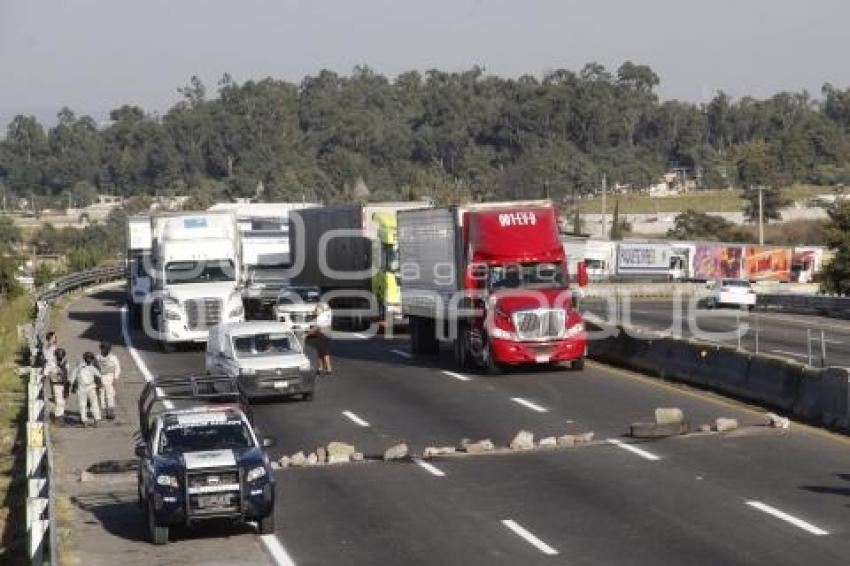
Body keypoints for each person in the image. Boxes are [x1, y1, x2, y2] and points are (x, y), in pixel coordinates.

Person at [70, 352, 102, 427]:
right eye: (87, 358)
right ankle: (84, 420)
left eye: (90, 358)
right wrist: (73, 386)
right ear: (84, 359)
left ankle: (97, 419)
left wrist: (99, 384)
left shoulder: (93, 367)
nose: (89, 359)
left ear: (92, 359)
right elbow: (73, 377)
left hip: (91, 387)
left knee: (94, 403)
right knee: (82, 404)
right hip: (81, 387)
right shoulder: (79, 367)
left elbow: (98, 376)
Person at [305, 303, 333, 374]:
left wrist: (307, 334)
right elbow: (327, 309)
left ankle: (321, 368)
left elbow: (316, 328)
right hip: (328, 335)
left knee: (320, 353)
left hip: (321, 335)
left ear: (321, 310)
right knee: (325, 352)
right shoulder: (328, 315)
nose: (316, 310)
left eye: (317, 309)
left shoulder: (320, 318)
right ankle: (328, 369)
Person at [95, 342, 121, 420]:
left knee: (110, 394)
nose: (104, 350)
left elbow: (117, 368)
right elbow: (94, 369)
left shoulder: (113, 358)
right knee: (101, 394)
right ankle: (102, 411)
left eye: (106, 349)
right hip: (101, 377)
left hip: (109, 377)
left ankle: (110, 411)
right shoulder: (97, 358)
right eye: (103, 349)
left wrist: (116, 378)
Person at [45, 347, 69, 425]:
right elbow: (46, 371)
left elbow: (67, 373)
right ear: (55, 355)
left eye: (61, 356)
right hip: (56, 384)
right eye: (58, 356)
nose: (60, 357)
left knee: (64, 401)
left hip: (64, 383)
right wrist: (44, 376)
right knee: (59, 401)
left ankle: (60, 415)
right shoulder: (51, 363)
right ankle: (58, 417)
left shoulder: (66, 362)